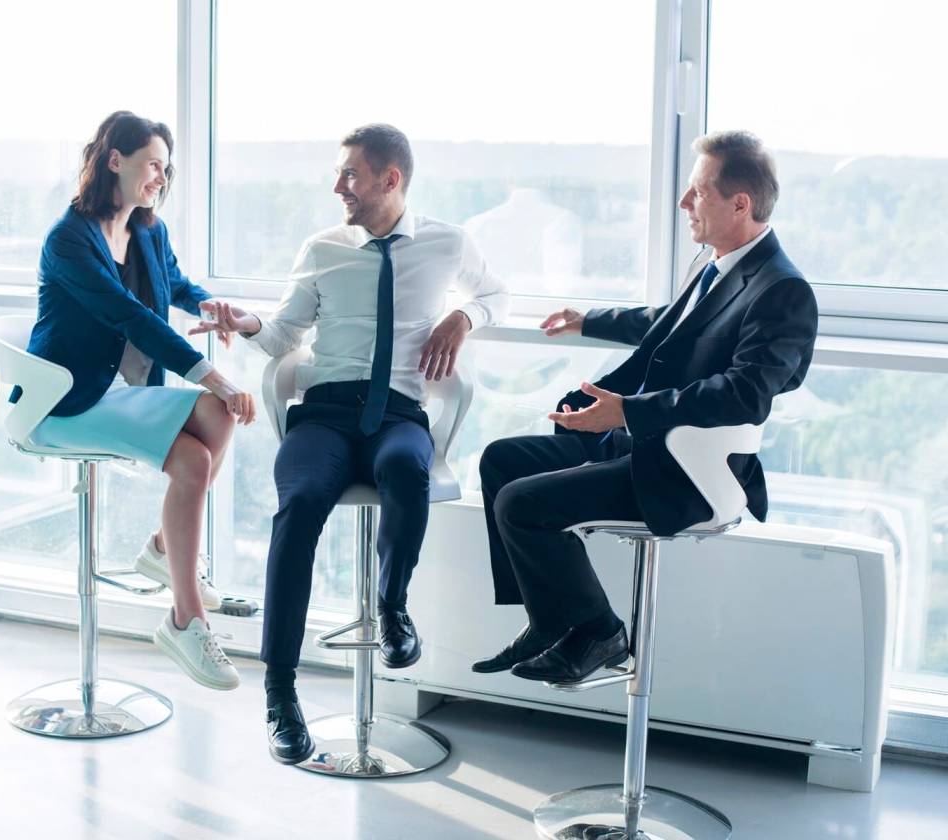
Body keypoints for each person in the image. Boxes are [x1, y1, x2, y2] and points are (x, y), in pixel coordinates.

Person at [200, 124, 509, 762]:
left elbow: (497, 295)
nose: (338, 186)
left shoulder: (448, 243)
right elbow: (285, 334)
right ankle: (280, 693)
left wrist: (463, 315)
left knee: (406, 472)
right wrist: (246, 321)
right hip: (327, 416)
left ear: (389, 179)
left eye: (350, 175)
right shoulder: (323, 248)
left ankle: (392, 607)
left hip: (399, 414)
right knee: (301, 502)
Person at [474, 130, 819, 684]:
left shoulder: (783, 290)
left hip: (689, 470)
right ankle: (550, 619)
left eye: (697, 192)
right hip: (641, 444)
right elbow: (671, 325)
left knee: (520, 503)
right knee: (501, 460)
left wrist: (629, 412)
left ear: (740, 204)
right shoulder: (717, 264)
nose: (685, 204)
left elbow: (746, 391)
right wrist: (590, 319)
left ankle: (600, 631)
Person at [22, 110, 255, 691]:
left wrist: (211, 307)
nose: (159, 176)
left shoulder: (149, 229)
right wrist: (212, 376)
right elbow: (130, 317)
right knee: (203, 442)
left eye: (165, 167)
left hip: (121, 393)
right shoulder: (68, 240)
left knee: (215, 424)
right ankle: (186, 618)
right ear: (114, 159)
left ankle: (162, 550)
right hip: (66, 400)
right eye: (152, 163)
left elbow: (172, 284)